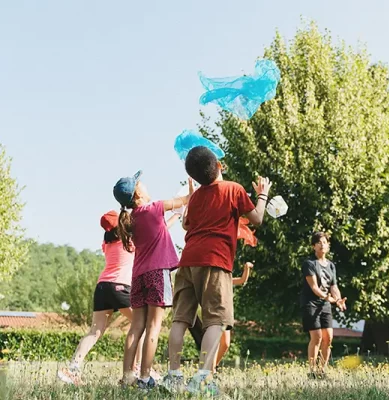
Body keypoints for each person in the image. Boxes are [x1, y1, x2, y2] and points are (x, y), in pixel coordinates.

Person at [162, 146, 271, 396]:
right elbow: (257, 219)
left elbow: (186, 223)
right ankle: (202, 379)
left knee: (181, 318)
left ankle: (174, 375)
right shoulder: (234, 189)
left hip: (188, 260)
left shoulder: (197, 196)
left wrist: (192, 195)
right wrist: (262, 195)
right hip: (215, 260)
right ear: (219, 166)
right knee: (216, 320)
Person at [114, 171, 192, 389]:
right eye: (141, 183)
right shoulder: (155, 207)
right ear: (138, 192)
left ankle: (127, 376)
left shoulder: (133, 219)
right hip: (158, 274)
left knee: (136, 327)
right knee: (154, 327)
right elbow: (186, 200)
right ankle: (145, 377)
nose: (146, 185)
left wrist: (175, 216)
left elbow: (161, 228)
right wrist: (190, 187)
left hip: (138, 276)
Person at [57, 211, 143, 385]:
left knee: (95, 331)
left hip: (102, 287)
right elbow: (156, 232)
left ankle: (73, 368)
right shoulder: (129, 242)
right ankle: (137, 370)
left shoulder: (106, 243)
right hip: (120, 286)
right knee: (143, 325)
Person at [186, 261, 255, 373]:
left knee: (226, 343)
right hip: (213, 314)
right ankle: (210, 370)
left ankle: (212, 367)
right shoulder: (209, 281)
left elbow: (242, 280)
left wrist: (247, 267)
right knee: (216, 342)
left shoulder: (226, 279)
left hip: (224, 314)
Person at [301, 232, 347, 379]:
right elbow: (314, 287)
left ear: (328, 245)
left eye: (325, 242)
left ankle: (322, 370)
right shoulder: (309, 264)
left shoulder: (331, 266)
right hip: (311, 303)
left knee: (328, 337)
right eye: (319, 242)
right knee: (317, 337)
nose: (322, 245)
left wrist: (338, 299)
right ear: (314, 246)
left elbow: (334, 286)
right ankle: (312, 371)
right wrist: (327, 297)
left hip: (326, 304)